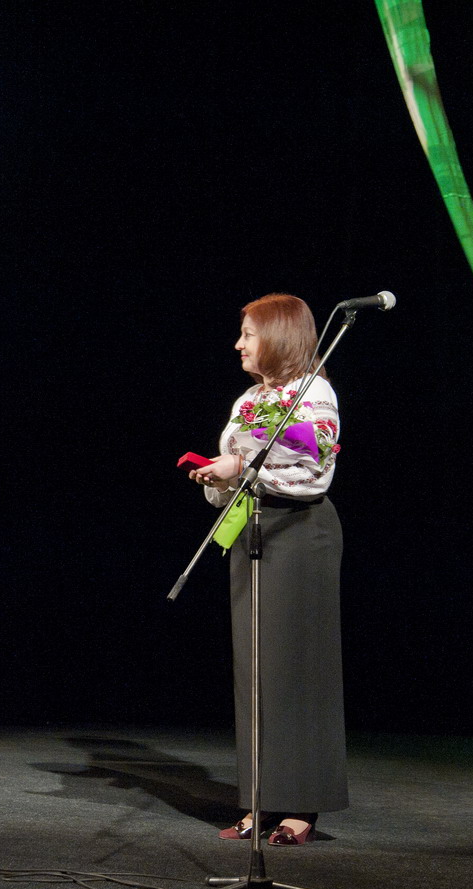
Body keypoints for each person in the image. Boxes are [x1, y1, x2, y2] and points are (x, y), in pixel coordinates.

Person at [189, 292, 345, 845]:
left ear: (278, 337)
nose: (239, 344)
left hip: (300, 533)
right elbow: (239, 465)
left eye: (249, 334)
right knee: (256, 670)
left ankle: (303, 805)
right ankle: (262, 800)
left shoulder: (314, 392)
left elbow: (314, 471)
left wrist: (240, 466)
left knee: (298, 671)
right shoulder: (251, 398)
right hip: (254, 529)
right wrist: (219, 475)